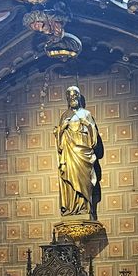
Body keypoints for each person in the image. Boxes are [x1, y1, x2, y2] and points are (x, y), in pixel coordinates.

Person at [55, 86, 103, 220]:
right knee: (70, 182)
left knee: (85, 180)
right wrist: (61, 129)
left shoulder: (86, 114)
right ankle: (72, 209)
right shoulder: (64, 116)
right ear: (67, 99)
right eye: (70, 97)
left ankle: (86, 208)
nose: (72, 99)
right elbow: (59, 145)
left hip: (83, 154)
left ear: (79, 98)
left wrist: (88, 124)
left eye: (75, 96)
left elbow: (94, 141)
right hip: (70, 154)